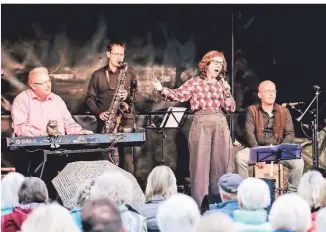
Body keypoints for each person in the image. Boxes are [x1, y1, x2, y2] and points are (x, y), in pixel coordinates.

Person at [152, 50, 236, 207]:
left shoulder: (221, 84)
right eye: (215, 62)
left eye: (221, 63)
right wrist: (161, 89)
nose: (219, 66)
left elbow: (231, 107)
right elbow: (179, 94)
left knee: (220, 165)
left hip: (219, 122)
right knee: (200, 168)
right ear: (207, 64)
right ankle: (201, 207)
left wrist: (227, 91)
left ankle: (221, 204)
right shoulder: (195, 82)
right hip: (202, 122)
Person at [235, 80, 303, 193]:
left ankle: (292, 194)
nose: (271, 94)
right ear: (259, 95)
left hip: (278, 149)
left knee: (298, 162)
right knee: (240, 158)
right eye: (267, 91)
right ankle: (245, 192)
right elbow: (249, 133)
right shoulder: (252, 111)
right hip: (258, 148)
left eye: (273, 91)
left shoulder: (284, 111)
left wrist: (282, 149)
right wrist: (257, 154)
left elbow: (290, 133)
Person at [85, 42, 137, 167]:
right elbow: (89, 99)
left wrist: (128, 96)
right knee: (104, 162)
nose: (119, 57)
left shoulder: (129, 74)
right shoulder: (97, 75)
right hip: (106, 124)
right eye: (116, 54)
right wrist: (98, 113)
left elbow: (136, 97)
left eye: (122, 54)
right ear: (108, 54)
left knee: (126, 163)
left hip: (124, 123)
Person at [11, 67, 93, 137]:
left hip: (58, 150)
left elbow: (68, 123)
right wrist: (41, 134)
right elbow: (20, 127)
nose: (48, 85)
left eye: (48, 81)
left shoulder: (57, 100)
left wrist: (80, 132)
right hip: (30, 152)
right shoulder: (21, 100)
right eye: (43, 83)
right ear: (33, 86)